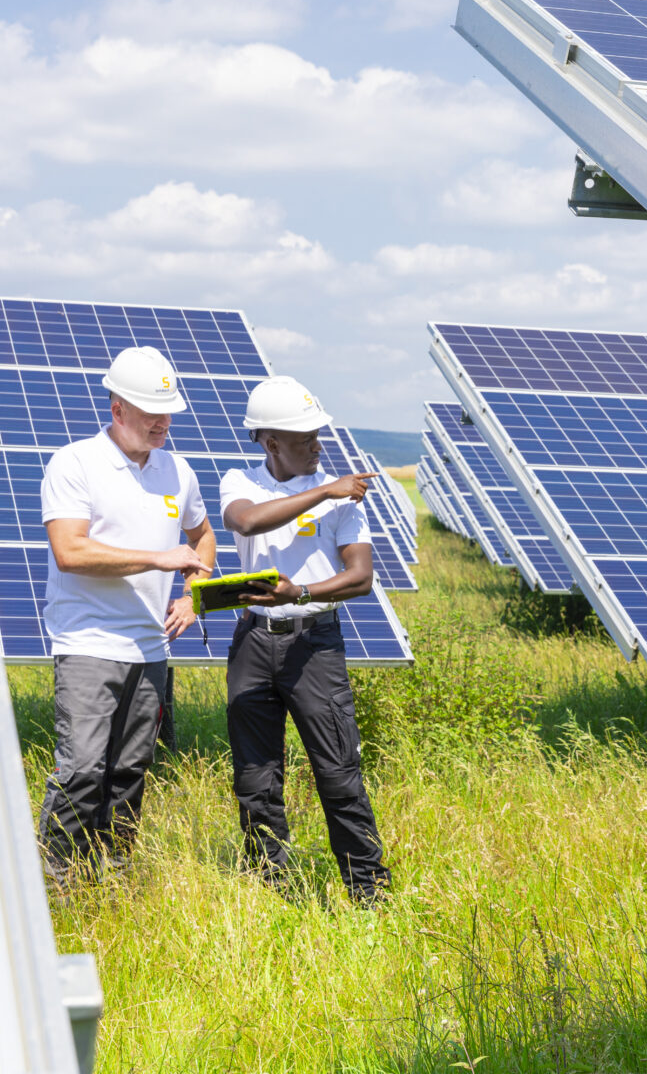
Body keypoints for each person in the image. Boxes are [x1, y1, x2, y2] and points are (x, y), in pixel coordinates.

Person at [37, 345, 217, 878]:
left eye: (168, 413)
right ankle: (57, 882)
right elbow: (70, 551)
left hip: (151, 649)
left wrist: (193, 594)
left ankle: (113, 877)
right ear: (118, 409)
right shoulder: (75, 463)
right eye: (151, 413)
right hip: (89, 644)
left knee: (130, 771)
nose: (163, 423)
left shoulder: (178, 471)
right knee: (82, 770)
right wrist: (158, 558)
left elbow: (203, 537)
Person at [219, 375, 391, 902]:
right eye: (305, 439)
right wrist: (322, 492)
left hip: (314, 647)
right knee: (256, 776)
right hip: (252, 644)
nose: (318, 446)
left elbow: (360, 578)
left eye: (318, 436)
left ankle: (369, 892)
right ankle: (271, 888)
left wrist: (301, 593)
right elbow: (247, 523)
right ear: (271, 443)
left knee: (338, 772)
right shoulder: (241, 482)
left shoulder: (344, 501)